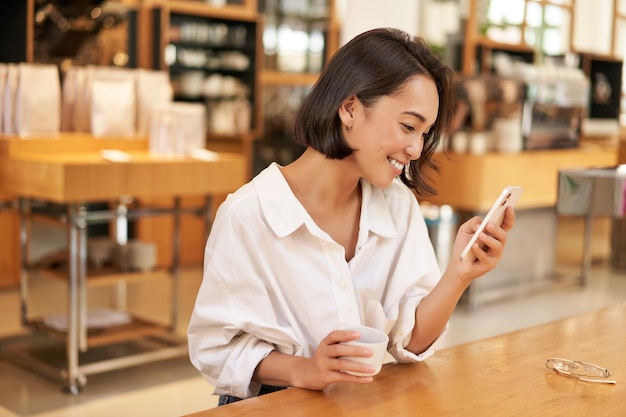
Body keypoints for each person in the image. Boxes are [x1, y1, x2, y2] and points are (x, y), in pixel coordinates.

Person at [187, 27, 516, 405]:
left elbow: (412, 341)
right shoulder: (248, 215)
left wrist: (459, 274)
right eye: (408, 126)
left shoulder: (397, 205)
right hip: (272, 405)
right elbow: (215, 348)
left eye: (425, 134)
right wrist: (305, 369)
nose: (415, 148)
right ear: (349, 107)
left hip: (360, 402)